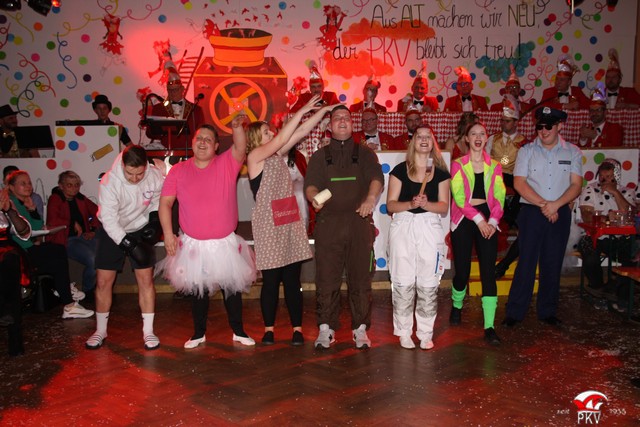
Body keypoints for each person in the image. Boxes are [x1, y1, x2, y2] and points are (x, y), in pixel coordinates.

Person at [156, 118, 256, 349]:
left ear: (216, 146)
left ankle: (238, 331)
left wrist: (237, 127)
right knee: (198, 290)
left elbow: (241, 147)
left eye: (208, 140)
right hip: (193, 244)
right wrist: (168, 234)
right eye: (199, 138)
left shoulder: (226, 164)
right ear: (192, 142)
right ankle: (198, 333)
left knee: (231, 289)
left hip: (225, 242)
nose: (202, 142)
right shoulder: (178, 170)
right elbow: (165, 204)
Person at [247, 95, 334, 346]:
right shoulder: (254, 157)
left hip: (288, 220)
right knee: (271, 281)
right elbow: (282, 138)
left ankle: (297, 329)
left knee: (293, 280)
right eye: (266, 132)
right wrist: (303, 109)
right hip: (268, 225)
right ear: (256, 139)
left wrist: (322, 112)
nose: (272, 134)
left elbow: (302, 132)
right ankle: (269, 330)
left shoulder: (277, 155)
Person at [304, 105, 384, 350]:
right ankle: (325, 328)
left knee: (360, 279)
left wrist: (370, 199)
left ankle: (360, 329)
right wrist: (314, 198)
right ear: (329, 126)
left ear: (352, 124)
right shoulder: (320, 156)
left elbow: (377, 179)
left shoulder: (365, 153)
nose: (342, 121)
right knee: (326, 278)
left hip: (359, 224)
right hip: (328, 225)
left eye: (346, 118)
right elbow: (310, 186)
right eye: (337, 118)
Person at [503, 107, 583, 327]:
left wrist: (556, 205)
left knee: (552, 261)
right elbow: (519, 183)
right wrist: (544, 205)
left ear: (560, 126)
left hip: (560, 211)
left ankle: (548, 311)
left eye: (549, 126)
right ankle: (515, 311)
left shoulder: (573, 152)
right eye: (540, 126)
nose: (543, 130)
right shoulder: (526, 151)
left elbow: (576, 185)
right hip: (532, 211)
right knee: (526, 262)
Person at [85, 145, 163, 350]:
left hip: (140, 227)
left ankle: (148, 331)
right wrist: (128, 244)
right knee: (103, 281)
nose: (135, 178)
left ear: (146, 166)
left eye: (140, 174)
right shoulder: (109, 182)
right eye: (130, 174)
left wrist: (154, 220)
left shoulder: (154, 175)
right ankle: (100, 330)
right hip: (113, 229)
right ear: (122, 165)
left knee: (146, 280)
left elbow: (157, 199)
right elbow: (109, 219)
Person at [386, 125, 450, 350]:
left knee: (428, 283)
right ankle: (404, 332)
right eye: (419, 137)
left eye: (428, 137)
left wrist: (426, 204)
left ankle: (425, 332)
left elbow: (443, 207)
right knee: (402, 281)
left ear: (433, 143)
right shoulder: (399, 170)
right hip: (403, 225)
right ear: (413, 142)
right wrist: (410, 204)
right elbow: (390, 205)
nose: (423, 140)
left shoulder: (440, 173)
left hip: (429, 227)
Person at [7, 170, 94, 320]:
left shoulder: (25, 202)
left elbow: (37, 226)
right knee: (58, 256)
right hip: (18, 252)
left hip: (29, 247)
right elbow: (23, 232)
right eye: (23, 183)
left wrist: (32, 210)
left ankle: (65, 293)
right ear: (11, 187)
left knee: (58, 252)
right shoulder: (9, 203)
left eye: (29, 183)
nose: (28, 186)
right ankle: (66, 296)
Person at [449, 122, 505, 345]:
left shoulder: (495, 166)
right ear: (467, 139)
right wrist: (480, 221)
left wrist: (492, 221)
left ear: (486, 137)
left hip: (488, 218)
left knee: (488, 272)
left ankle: (489, 326)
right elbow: (459, 198)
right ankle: (456, 305)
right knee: (462, 272)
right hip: (464, 218)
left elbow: (500, 197)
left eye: (482, 133)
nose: (478, 137)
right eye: (473, 134)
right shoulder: (457, 165)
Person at [577, 159, 634, 297]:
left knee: (633, 254)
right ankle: (598, 287)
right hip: (596, 237)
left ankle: (622, 294)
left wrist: (615, 193)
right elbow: (586, 214)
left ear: (616, 176)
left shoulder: (627, 191)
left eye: (608, 176)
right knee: (589, 251)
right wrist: (607, 217)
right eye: (602, 176)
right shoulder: (591, 189)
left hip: (621, 239)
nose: (604, 180)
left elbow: (630, 215)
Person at [46, 171, 101, 297]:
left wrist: (93, 230)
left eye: (76, 185)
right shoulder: (55, 198)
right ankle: (88, 290)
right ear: (61, 186)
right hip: (66, 240)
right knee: (93, 260)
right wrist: (71, 223)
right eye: (69, 185)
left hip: (84, 237)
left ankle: (100, 288)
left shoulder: (80, 198)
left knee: (105, 254)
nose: (74, 188)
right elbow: (52, 221)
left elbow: (98, 212)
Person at [0, 187, 31, 356]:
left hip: (8, 252)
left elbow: (24, 233)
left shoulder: (5, 203)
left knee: (11, 259)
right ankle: (6, 308)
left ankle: (16, 343)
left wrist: (10, 211)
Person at [145, 71, 205, 149]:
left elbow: (202, 133)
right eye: (170, 90)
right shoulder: (158, 108)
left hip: (189, 152)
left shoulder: (195, 110)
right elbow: (149, 133)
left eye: (176, 89)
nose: (173, 93)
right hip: (166, 151)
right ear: (167, 90)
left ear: (182, 89)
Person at [578, 83, 623, 148]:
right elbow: (579, 151)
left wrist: (595, 137)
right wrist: (583, 139)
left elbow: (616, 149)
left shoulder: (615, 128)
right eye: (592, 110)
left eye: (598, 110)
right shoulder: (587, 130)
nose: (594, 113)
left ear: (605, 112)